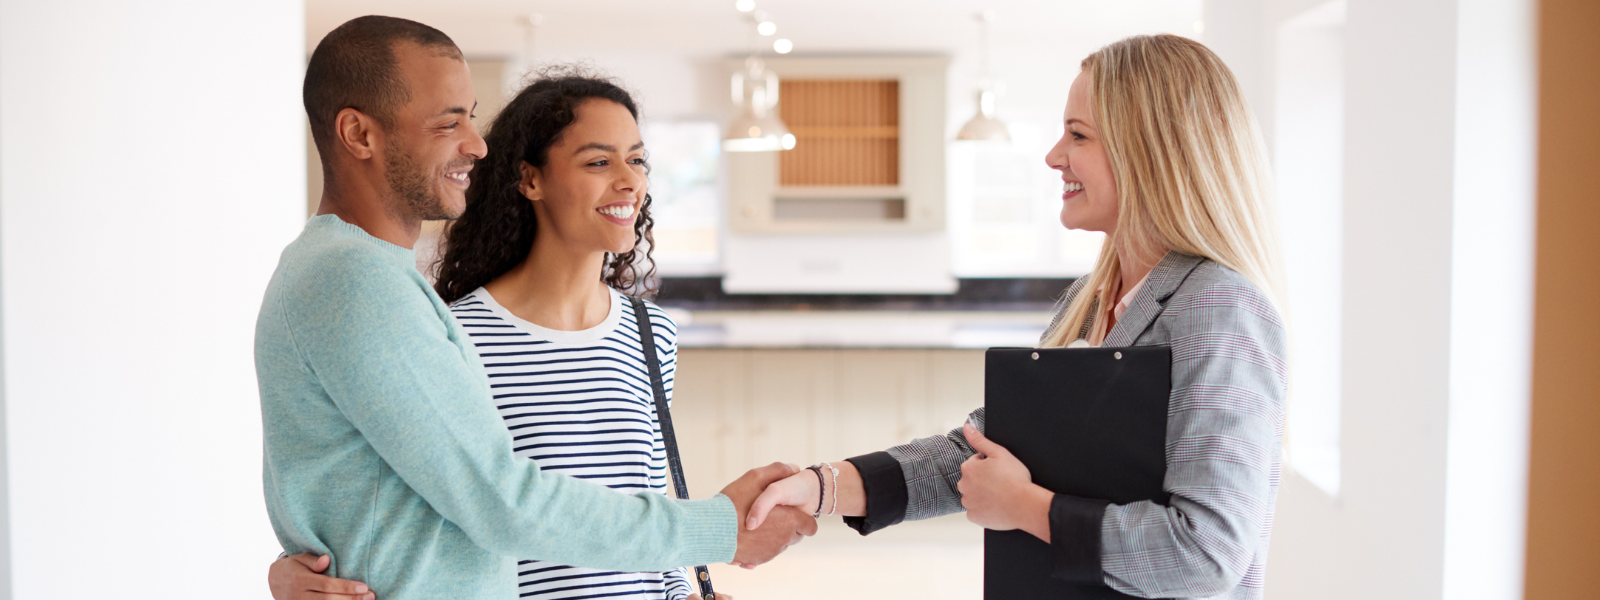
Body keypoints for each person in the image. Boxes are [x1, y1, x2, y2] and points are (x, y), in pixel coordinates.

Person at [257, 17, 813, 600]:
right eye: (449, 121)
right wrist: (719, 528)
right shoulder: (358, 283)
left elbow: (367, 479)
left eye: (471, 117)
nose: (476, 144)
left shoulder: (367, 278)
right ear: (359, 134)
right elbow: (500, 502)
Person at [747, 34, 1288, 600]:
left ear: (1151, 151)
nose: (1055, 156)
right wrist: (820, 487)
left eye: (1078, 135)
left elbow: (1206, 556)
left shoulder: (1219, 306)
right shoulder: (1093, 298)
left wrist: (1029, 508)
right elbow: (983, 453)